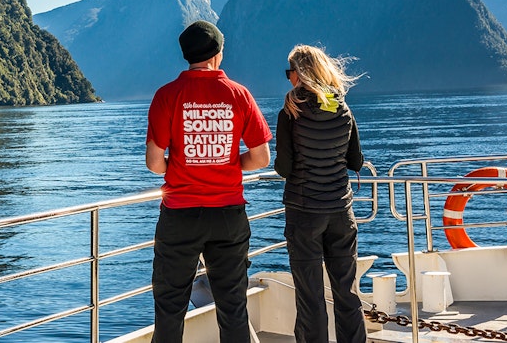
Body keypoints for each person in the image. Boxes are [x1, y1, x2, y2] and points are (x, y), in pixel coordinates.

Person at [146, 20, 273, 343]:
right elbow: (261, 158)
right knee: (233, 308)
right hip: (228, 214)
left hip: (179, 215)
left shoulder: (166, 96)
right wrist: (228, 162)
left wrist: (180, 164)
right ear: (217, 54)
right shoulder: (238, 94)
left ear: (187, 55)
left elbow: (154, 163)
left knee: (170, 308)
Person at [274, 44, 366, 343]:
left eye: (290, 73)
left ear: (299, 74)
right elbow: (356, 161)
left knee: (310, 297)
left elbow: (284, 168)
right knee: (347, 293)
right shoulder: (343, 108)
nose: (289, 79)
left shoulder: (290, 111)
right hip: (341, 211)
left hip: (304, 213)